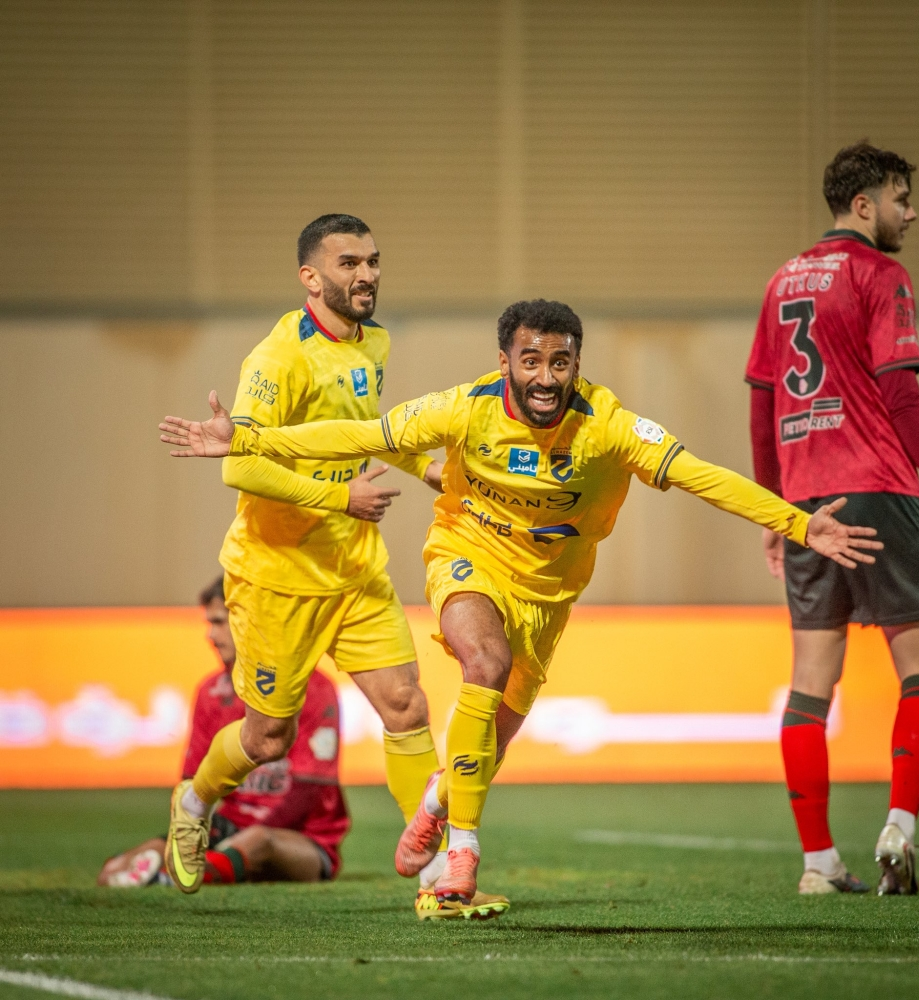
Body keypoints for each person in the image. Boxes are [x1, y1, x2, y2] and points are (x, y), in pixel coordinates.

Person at [160, 297, 880, 912]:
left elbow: (701, 475)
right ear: (504, 359)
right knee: (481, 659)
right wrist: (249, 436)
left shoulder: (608, 424)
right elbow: (360, 434)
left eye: (559, 363)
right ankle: (459, 858)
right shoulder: (463, 408)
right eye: (530, 361)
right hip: (463, 556)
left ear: (575, 364)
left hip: (548, 593)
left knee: (487, 741)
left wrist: (797, 520)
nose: (545, 377)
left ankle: (441, 801)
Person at [158, 213, 480, 917]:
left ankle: (434, 871)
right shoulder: (277, 359)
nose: (365, 275)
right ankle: (196, 799)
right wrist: (343, 492)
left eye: (371, 261)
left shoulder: (375, 342)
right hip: (277, 576)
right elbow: (240, 470)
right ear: (310, 277)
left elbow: (364, 423)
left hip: (355, 568)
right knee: (267, 736)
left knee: (407, 707)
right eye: (347, 264)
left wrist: (421, 465)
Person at [745, 141, 919, 896]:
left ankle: (817, 864)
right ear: (864, 205)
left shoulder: (781, 281)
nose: (911, 214)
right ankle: (900, 825)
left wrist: (772, 509)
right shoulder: (882, 275)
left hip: (807, 504)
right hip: (879, 491)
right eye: (902, 199)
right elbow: (901, 395)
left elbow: (763, 402)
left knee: (810, 686)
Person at [98, 577, 349, 887]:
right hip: (227, 828)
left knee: (257, 841)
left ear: (248, 622)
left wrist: (231, 834)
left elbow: (309, 790)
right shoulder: (210, 692)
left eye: (219, 623)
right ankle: (158, 870)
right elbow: (191, 781)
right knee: (117, 867)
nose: (211, 635)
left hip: (300, 840)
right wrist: (203, 830)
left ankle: (170, 878)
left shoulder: (313, 687)